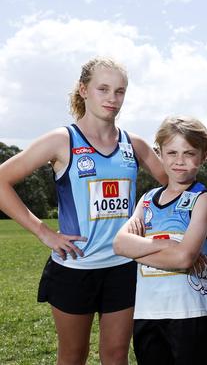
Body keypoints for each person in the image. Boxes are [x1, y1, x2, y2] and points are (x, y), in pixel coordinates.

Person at [0, 57, 166, 364]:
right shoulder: (62, 140)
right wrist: (43, 232)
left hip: (123, 267)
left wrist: (148, 218)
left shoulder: (135, 145)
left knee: (116, 356)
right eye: (103, 89)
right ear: (83, 90)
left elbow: (176, 185)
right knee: (73, 356)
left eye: (119, 91)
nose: (112, 98)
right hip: (75, 268)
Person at [113, 116, 207, 364]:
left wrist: (138, 249)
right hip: (146, 313)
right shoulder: (147, 200)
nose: (179, 161)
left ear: (203, 156)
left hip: (188, 314)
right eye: (171, 152)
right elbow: (119, 244)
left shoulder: (202, 200)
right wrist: (164, 245)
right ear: (159, 154)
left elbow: (184, 258)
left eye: (189, 153)